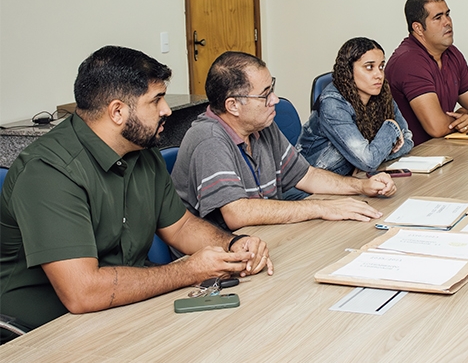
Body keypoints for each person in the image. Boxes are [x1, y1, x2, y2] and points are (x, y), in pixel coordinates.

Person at [0, 46, 272, 333]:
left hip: (123, 309)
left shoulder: (141, 150)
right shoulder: (49, 171)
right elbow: (83, 292)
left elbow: (180, 227)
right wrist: (189, 270)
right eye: (156, 100)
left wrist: (233, 245)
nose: (166, 110)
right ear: (118, 111)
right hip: (42, 333)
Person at [170, 51, 397, 232]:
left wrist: (361, 186)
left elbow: (307, 176)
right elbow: (237, 213)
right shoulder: (209, 140)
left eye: (272, 89)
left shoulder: (262, 126)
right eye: (265, 94)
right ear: (233, 106)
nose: (275, 99)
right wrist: (322, 207)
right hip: (219, 253)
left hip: (265, 236)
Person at [385, 0, 468, 146]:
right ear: (418, 28)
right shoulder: (409, 61)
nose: (447, 22)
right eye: (438, 17)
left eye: (447, 14)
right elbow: (437, 128)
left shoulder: (452, 54)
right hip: (413, 156)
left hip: (442, 150)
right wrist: (463, 118)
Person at [298, 37, 414, 175]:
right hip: (313, 183)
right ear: (349, 70)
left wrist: (373, 159)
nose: (379, 75)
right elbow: (368, 161)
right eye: (369, 67)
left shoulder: (381, 93)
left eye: (381, 66)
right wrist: (391, 126)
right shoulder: (333, 105)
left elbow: (408, 139)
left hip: (353, 178)